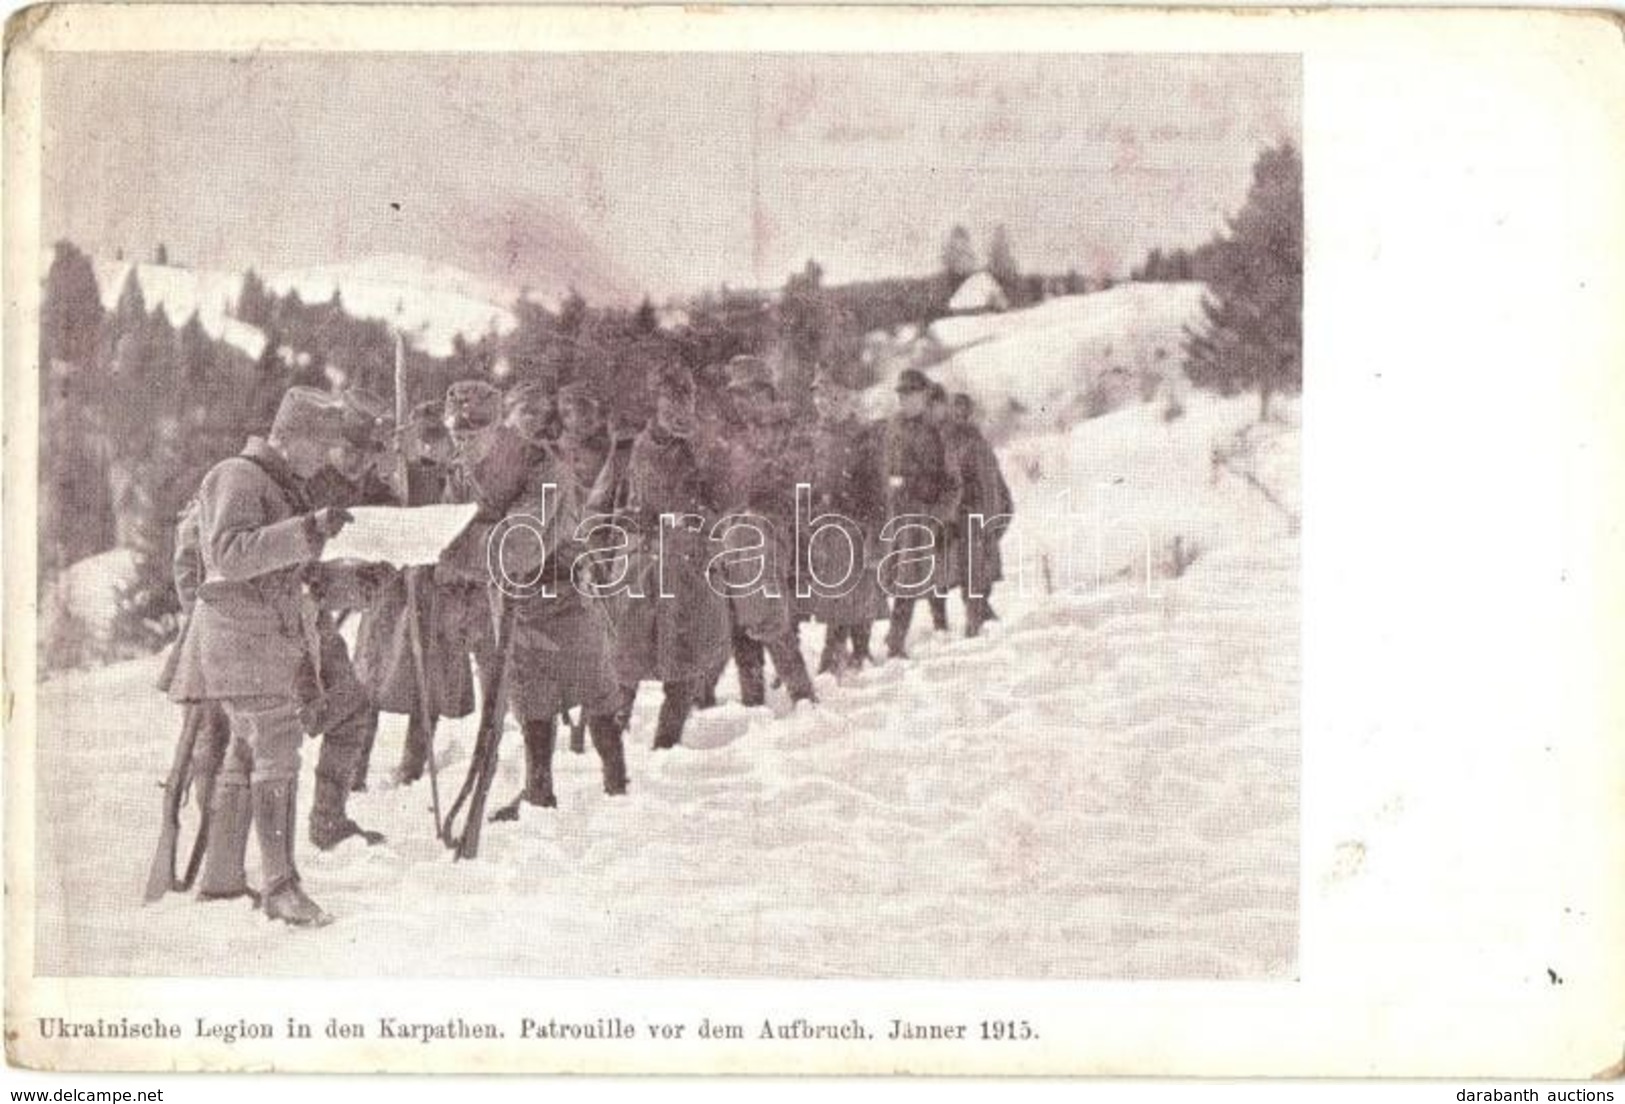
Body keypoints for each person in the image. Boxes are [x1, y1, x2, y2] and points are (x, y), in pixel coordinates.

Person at [164, 387, 376, 926]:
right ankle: (281, 887)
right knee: (276, 748)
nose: (326, 458)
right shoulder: (239, 476)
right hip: (244, 639)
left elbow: (284, 570)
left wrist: (348, 577)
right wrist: (308, 530)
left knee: (245, 750)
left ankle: (223, 878)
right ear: (291, 438)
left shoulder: (277, 482)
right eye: (321, 446)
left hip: (261, 637)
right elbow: (232, 556)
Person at [487, 432, 629, 819]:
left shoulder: (549, 473)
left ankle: (617, 784)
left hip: (564, 592)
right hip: (522, 600)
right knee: (535, 700)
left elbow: (525, 533)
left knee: (596, 689)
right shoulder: (496, 472)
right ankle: (539, 790)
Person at [350, 400, 475, 789]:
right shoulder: (393, 472)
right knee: (373, 679)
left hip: (438, 591)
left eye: (437, 438)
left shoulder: (459, 477)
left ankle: (412, 766)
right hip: (394, 588)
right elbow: (367, 508)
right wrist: (390, 472)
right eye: (423, 437)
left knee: (429, 684)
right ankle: (355, 767)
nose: (429, 447)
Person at [613, 361, 731, 749]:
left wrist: (700, 520)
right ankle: (609, 740)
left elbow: (726, 500)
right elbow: (614, 502)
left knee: (685, 656)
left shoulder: (708, 446)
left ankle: (667, 745)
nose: (678, 412)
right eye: (669, 403)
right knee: (625, 654)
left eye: (685, 402)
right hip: (642, 561)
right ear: (657, 403)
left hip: (688, 562)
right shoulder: (633, 448)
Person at [709, 354, 817, 706]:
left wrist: (752, 493)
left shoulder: (790, 429)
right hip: (739, 529)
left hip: (781, 527)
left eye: (746, 393)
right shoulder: (734, 435)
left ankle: (801, 695)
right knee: (740, 620)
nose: (739, 401)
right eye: (735, 395)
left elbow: (797, 479)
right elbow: (723, 483)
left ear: (764, 391)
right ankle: (753, 701)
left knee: (766, 611)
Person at [806, 372, 888, 673]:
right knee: (837, 598)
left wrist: (877, 537)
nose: (825, 403)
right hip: (825, 529)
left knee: (856, 596)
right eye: (820, 397)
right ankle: (845, 656)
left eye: (833, 396)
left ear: (849, 400)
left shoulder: (864, 438)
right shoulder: (815, 437)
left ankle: (853, 654)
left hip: (857, 528)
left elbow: (878, 493)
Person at [881, 369, 961, 659]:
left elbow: (953, 482)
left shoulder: (937, 430)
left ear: (924, 396)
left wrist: (939, 515)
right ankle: (929, 630)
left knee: (915, 578)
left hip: (928, 515)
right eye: (901, 394)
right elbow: (888, 470)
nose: (905, 399)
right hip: (901, 515)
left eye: (911, 394)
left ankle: (898, 640)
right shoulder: (894, 428)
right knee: (913, 576)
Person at [946, 393, 1013, 636]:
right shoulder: (952, 442)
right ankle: (977, 621)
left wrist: (1005, 510)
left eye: (964, 410)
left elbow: (995, 479)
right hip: (967, 518)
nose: (960, 414)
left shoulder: (977, 441)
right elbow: (953, 484)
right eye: (956, 410)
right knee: (972, 575)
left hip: (985, 517)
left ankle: (980, 620)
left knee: (981, 575)